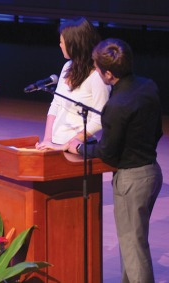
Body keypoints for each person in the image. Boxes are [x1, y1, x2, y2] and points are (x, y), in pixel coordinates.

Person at [68, 38, 163, 283]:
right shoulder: (148, 86)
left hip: (132, 181)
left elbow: (107, 153)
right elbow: (157, 132)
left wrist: (79, 147)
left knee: (133, 247)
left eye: (97, 68)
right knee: (132, 243)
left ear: (108, 74)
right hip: (153, 172)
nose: (96, 71)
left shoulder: (116, 106)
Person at [36, 17, 110, 151]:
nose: (60, 45)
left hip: (79, 148)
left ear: (75, 45)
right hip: (55, 143)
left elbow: (100, 118)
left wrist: (66, 145)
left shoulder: (98, 77)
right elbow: (56, 104)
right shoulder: (67, 66)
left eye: (62, 42)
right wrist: (47, 140)